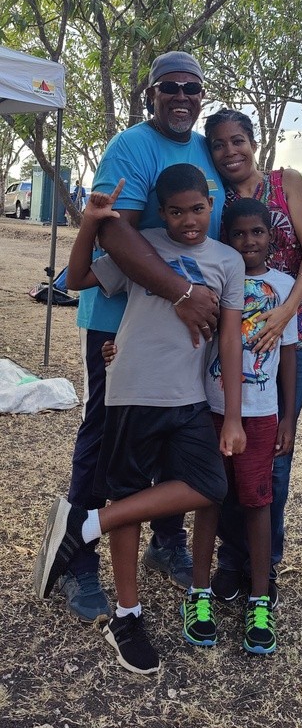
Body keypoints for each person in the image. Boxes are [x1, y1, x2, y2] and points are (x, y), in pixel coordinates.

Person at [34, 165, 245, 675]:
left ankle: (86, 524)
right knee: (127, 496)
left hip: (190, 397)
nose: (188, 220)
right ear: (161, 212)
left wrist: (234, 416)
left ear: (211, 205)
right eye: (176, 211)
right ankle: (126, 616)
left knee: (210, 485)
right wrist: (91, 222)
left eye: (197, 209)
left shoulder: (228, 260)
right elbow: (78, 279)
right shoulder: (142, 246)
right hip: (131, 390)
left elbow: (231, 339)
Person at [57, 51, 226, 623]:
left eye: (192, 88)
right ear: (151, 94)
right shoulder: (130, 146)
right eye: (168, 87)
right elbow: (114, 233)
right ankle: (77, 559)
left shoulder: (204, 149)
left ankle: (167, 541)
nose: (181, 96)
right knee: (106, 437)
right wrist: (182, 292)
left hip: (186, 327)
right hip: (121, 319)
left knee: (178, 430)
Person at [203, 109, 302, 604]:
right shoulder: (216, 198)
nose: (230, 151)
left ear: (254, 142)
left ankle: (264, 567)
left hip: (296, 333)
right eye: (219, 145)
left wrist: (286, 310)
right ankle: (232, 562)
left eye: (238, 140)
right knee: (230, 457)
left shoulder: (285, 182)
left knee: (273, 455)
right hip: (234, 341)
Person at [202, 199, 297, 654]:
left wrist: (289, 415)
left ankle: (260, 594)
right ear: (226, 238)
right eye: (238, 234)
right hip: (210, 407)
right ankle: (206, 584)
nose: (248, 241)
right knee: (210, 496)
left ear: (270, 236)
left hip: (261, 413)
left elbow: (290, 354)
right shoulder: (217, 277)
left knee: (258, 500)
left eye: (257, 232)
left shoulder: (285, 286)